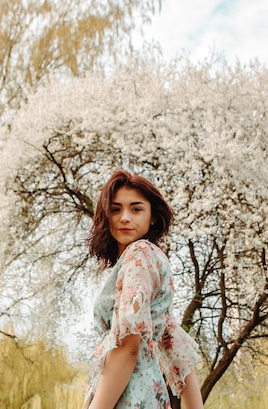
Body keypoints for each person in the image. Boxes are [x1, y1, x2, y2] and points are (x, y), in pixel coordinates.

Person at [83, 170, 204, 409]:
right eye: (115, 209)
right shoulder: (148, 259)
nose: (125, 217)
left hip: (129, 396)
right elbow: (173, 343)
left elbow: (127, 346)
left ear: (153, 218)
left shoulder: (140, 254)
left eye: (136, 209)